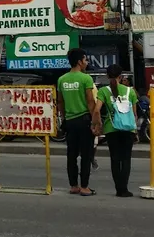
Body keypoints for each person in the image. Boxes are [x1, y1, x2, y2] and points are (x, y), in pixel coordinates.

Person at [57, 48, 100, 196]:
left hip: (70, 121)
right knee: (86, 155)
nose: (87, 62)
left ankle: (73, 185)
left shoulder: (62, 79)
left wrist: (64, 118)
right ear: (79, 61)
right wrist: (96, 121)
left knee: (71, 155)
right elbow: (90, 102)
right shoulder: (85, 79)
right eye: (85, 59)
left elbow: (60, 102)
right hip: (84, 120)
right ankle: (84, 187)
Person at [94, 64, 138, 197]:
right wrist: (135, 131)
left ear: (107, 76)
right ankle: (124, 189)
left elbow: (96, 110)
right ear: (121, 76)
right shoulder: (130, 91)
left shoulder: (103, 91)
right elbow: (134, 114)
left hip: (111, 128)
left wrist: (97, 124)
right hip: (128, 129)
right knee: (126, 159)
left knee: (115, 158)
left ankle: (118, 189)